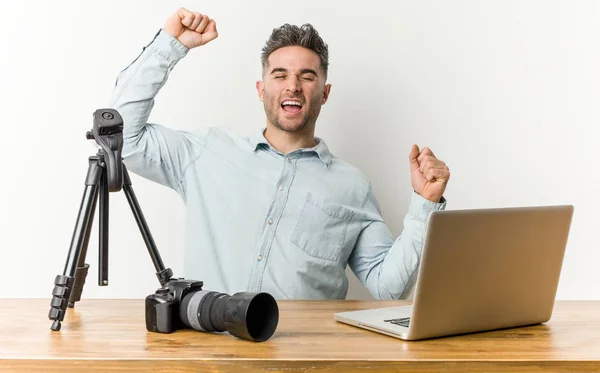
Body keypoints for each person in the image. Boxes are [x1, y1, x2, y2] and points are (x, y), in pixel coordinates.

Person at [108, 8, 450, 300]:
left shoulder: (353, 187)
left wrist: (425, 203)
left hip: (304, 357)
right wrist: (171, 44)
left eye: (307, 76)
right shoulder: (206, 153)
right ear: (261, 89)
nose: (293, 86)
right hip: (212, 354)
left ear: (325, 93)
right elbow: (119, 134)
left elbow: (388, 289)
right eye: (280, 75)